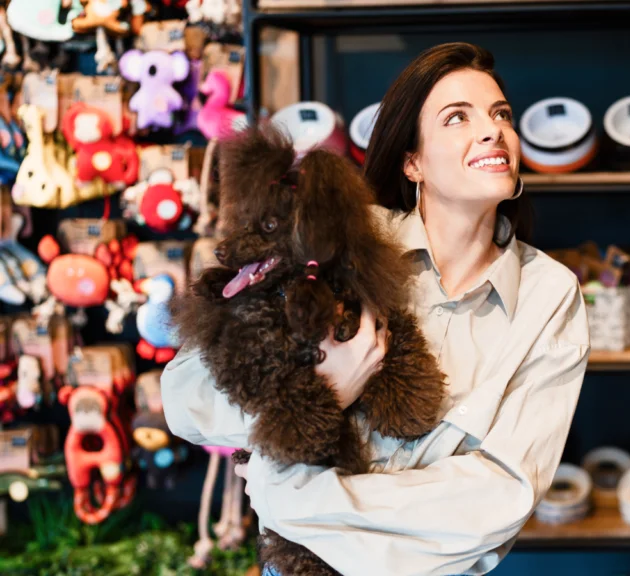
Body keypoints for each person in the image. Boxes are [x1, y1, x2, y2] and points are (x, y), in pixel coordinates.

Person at [161, 42, 591, 576]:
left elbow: (499, 496)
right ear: (412, 162)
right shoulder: (340, 240)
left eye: (501, 114)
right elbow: (183, 397)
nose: (492, 130)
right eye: (458, 117)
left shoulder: (549, 295)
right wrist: (327, 388)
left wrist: (288, 495)